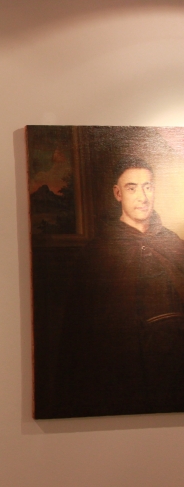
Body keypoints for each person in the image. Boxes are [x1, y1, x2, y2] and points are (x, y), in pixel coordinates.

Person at [60, 157, 184, 417]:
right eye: (132, 188)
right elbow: (80, 328)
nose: (142, 197)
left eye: (148, 187)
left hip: (174, 365)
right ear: (118, 193)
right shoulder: (98, 252)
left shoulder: (173, 243)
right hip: (125, 368)